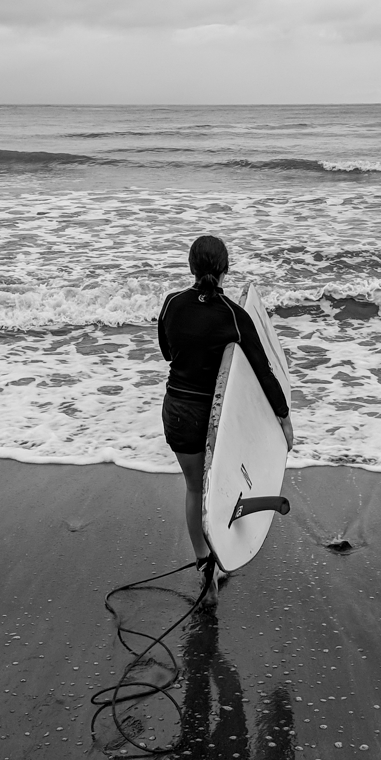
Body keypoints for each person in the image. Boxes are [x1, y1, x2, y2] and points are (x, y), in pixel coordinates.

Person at [158, 235, 293, 606]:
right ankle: (215, 567)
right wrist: (282, 418)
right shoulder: (234, 315)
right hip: (212, 416)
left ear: (191, 267)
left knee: (193, 490)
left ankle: (205, 564)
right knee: (215, 492)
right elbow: (264, 371)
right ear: (225, 269)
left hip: (177, 411)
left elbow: (167, 350)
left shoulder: (171, 304)